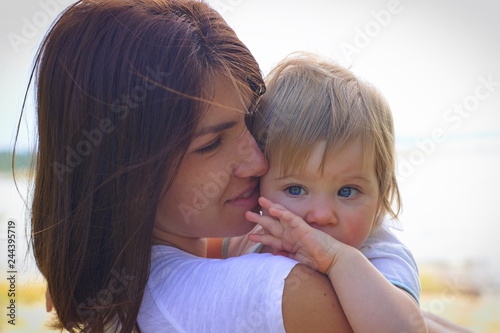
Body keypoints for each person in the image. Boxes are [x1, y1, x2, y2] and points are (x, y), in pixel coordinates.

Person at [23, 0, 401, 332]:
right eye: (211, 144)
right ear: (127, 170)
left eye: (250, 123)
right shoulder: (281, 291)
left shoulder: (123, 289)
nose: (258, 161)